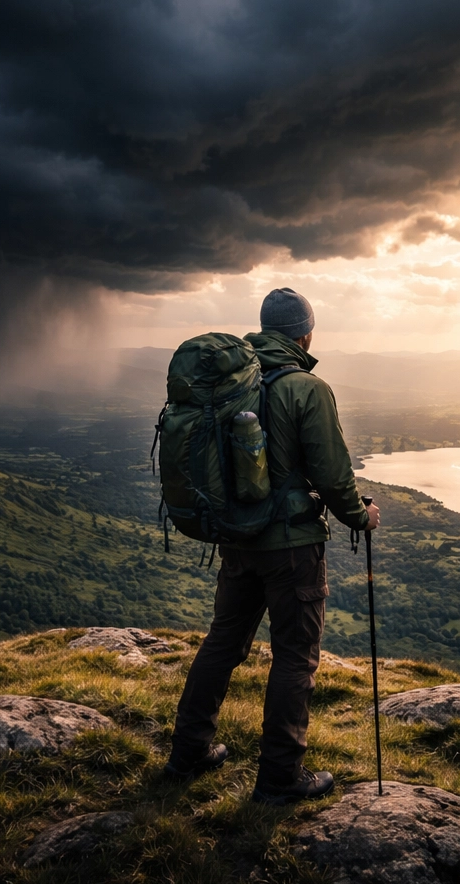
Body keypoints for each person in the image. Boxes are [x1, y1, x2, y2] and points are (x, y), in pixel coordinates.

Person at [163, 287, 381, 804]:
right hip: (291, 548)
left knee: (223, 643)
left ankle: (188, 753)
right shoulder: (306, 387)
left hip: (238, 540)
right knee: (295, 657)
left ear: (264, 329)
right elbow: (331, 473)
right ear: (305, 332)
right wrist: (361, 516)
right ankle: (280, 777)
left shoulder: (234, 381)